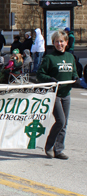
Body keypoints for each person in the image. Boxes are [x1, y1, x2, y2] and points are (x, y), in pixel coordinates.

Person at [37, 30, 78, 160]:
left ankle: (59, 149)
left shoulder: (70, 57)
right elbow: (40, 74)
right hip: (54, 94)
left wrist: (76, 77)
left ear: (66, 43)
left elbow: (74, 72)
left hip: (66, 94)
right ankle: (49, 146)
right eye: (56, 41)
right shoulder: (50, 58)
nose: (59, 44)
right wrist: (50, 79)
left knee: (64, 124)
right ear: (53, 43)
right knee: (61, 121)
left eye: (61, 41)